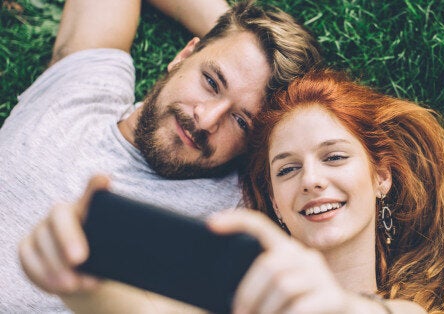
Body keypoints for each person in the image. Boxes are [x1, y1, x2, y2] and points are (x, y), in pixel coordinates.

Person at [20, 70, 444, 313]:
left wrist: (331, 304)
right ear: (273, 202)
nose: (311, 179)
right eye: (287, 169)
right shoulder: (234, 294)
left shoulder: (407, 309)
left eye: (334, 157)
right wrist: (82, 286)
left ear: (381, 177)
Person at [0, 0, 322, 310]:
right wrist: (239, 27)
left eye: (241, 121)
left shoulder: (238, 211)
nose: (206, 120)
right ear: (183, 56)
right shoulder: (86, 82)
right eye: (211, 81)